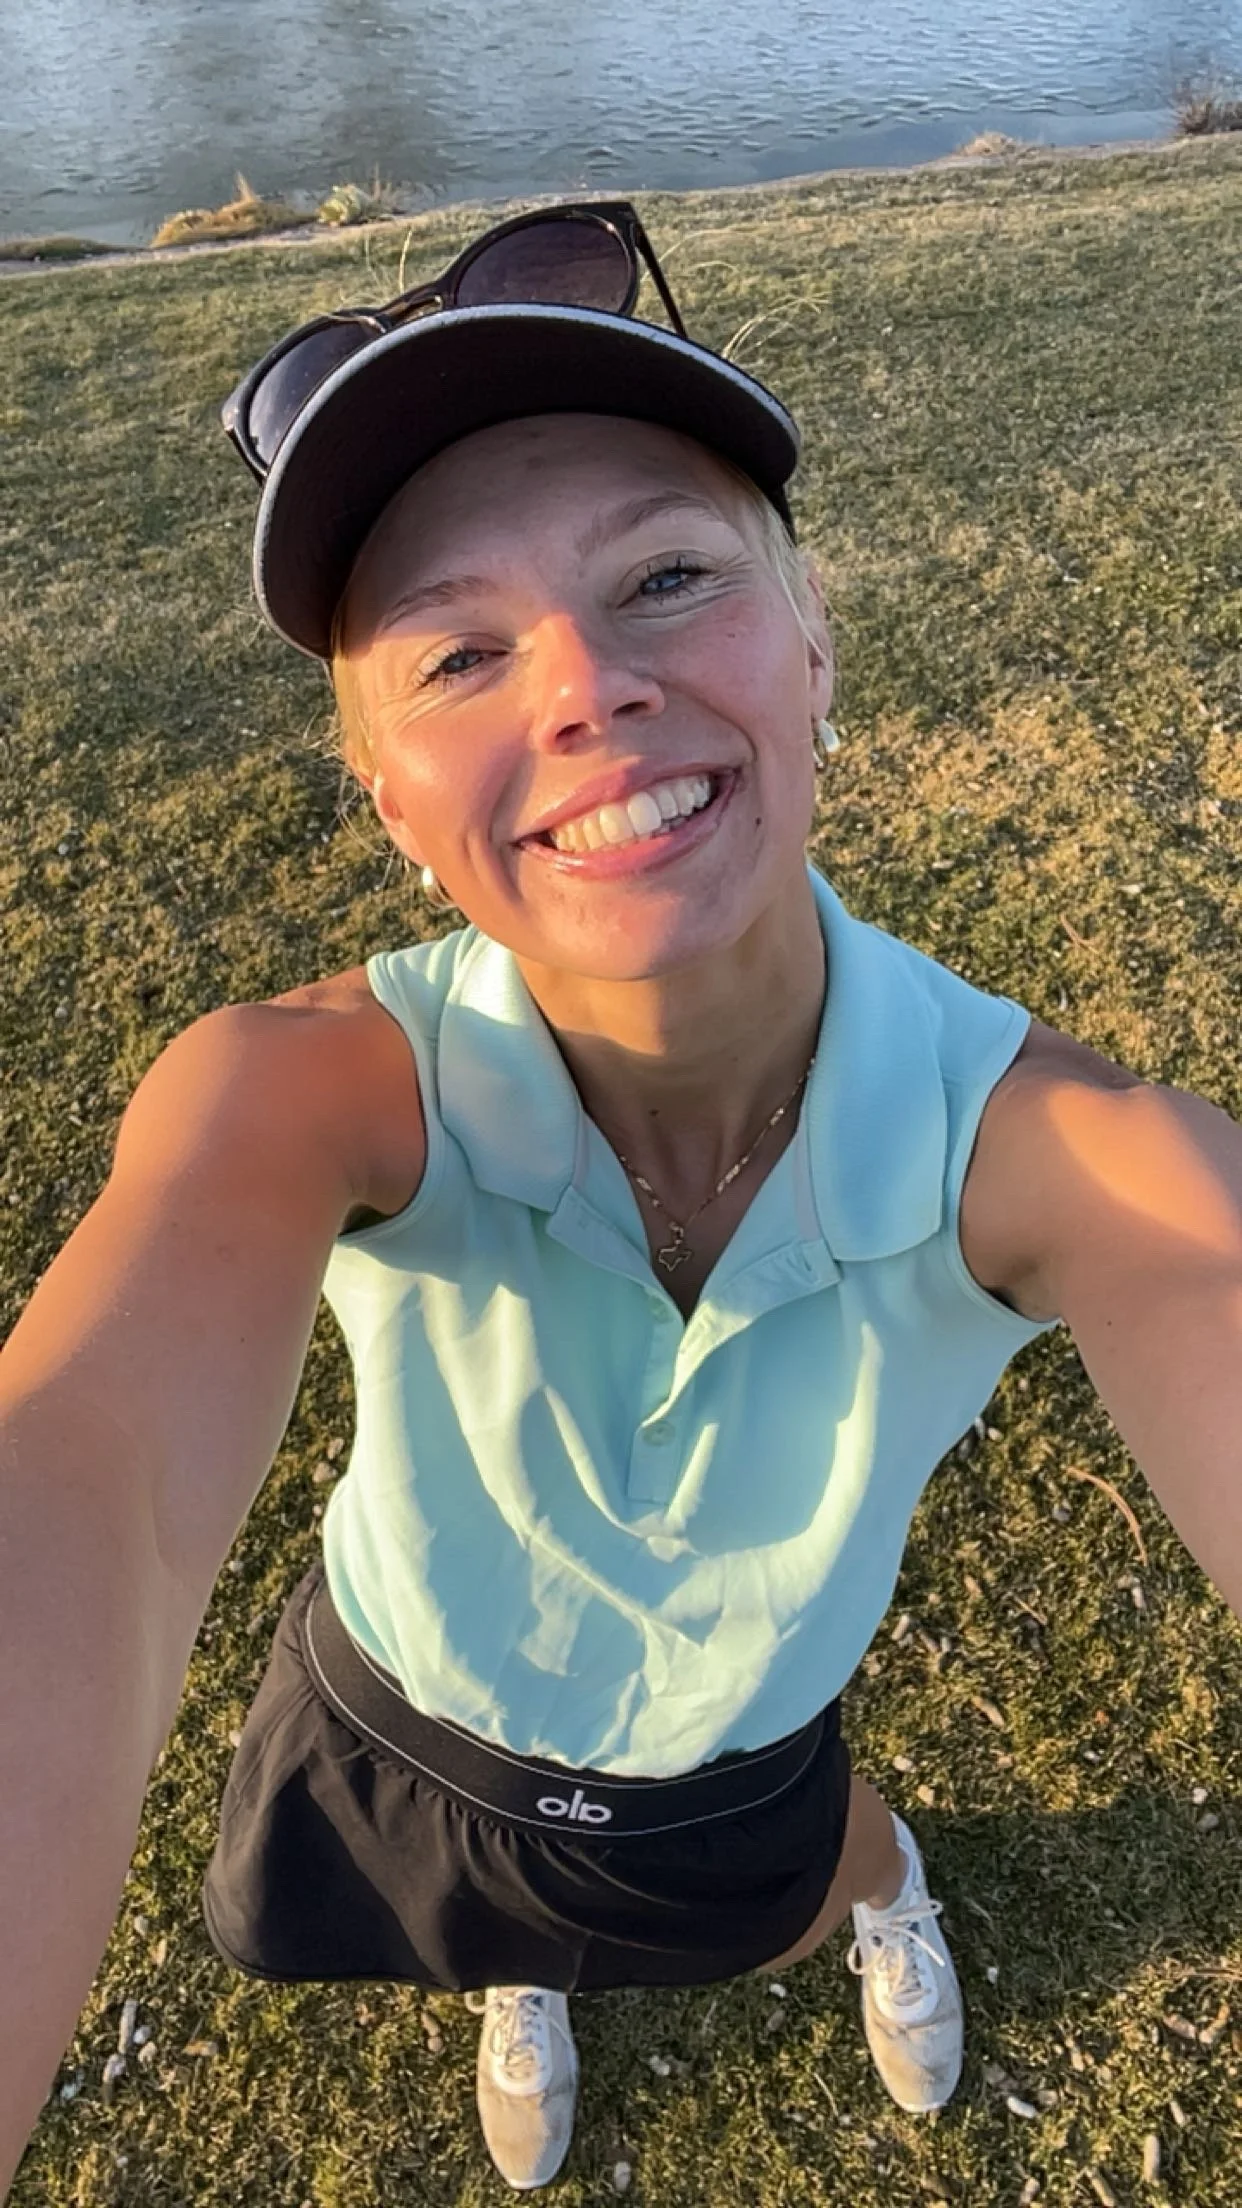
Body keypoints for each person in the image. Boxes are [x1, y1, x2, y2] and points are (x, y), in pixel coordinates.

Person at [2, 199, 1240, 2199]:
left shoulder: (1062, 1148)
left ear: (814, 643)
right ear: (392, 799)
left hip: (750, 1739)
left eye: (665, 576)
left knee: (808, 1866)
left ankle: (891, 1891)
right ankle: (529, 1965)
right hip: (409, 1712)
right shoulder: (296, 1093)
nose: (583, 687)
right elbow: (81, 1474)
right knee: (503, 1913)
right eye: (458, 652)